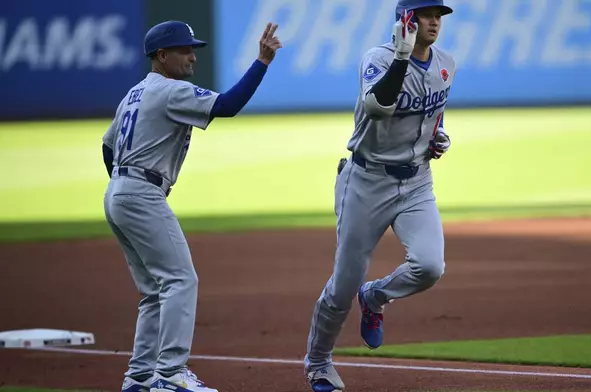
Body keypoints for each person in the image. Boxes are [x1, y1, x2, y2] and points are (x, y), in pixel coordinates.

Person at [101, 20, 282, 392]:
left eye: (193, 49)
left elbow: (107, 146)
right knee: (181, 280)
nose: (192, 57)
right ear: (161, 56)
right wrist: (262, 62)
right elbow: (228, 106)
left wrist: (123, 185)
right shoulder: (170, 90)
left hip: (118, 193)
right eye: (184, 50)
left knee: (155, 290)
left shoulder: (134, 93)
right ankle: (170, 374)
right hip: (140, 194)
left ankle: (139, 377)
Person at [303, 1, 456, 391]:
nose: (435, 21)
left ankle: (374, 297)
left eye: (439, 14)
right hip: (366, 181)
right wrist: (403, 57)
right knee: (342, 284)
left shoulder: (446, 64)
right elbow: (376, 107)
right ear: (406, 20)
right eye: (425, 14)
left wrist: (439, 138)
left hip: (417, 182)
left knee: (430, 266)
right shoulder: (378, 58)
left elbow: (431, 117)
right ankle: (319, 362)